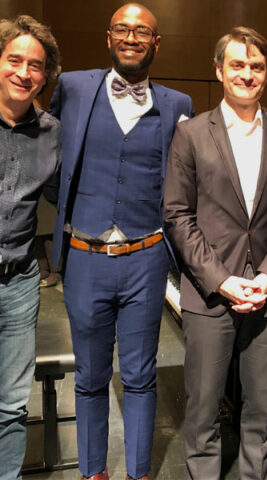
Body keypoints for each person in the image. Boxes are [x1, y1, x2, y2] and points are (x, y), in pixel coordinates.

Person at [49, 4, 193, 479]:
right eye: (123, 29)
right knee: (90, 379)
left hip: (145, 258)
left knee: (140, 376)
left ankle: (137, 473)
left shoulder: (177, 105)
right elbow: (50, 155)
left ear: (157, 42)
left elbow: (183, 182)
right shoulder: (72, 87)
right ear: (109, 37)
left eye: (143, 32)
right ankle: (93, 472)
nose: (132, 37)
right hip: (85, 258)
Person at [163, 26, 267, 480]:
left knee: (262, 408)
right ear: (219, 71)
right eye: (238, 65)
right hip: (210, 293)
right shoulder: (190, 133)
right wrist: (223, 279)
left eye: (257, 67)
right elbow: (176, 214)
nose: (248, 74)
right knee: (204, 408)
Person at [0, 14, 61, 480]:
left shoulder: (51, 132)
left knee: (10, 403)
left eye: (35, 65)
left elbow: (65, 195)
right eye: (14, 60)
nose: (24, 72)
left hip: (18, 283)